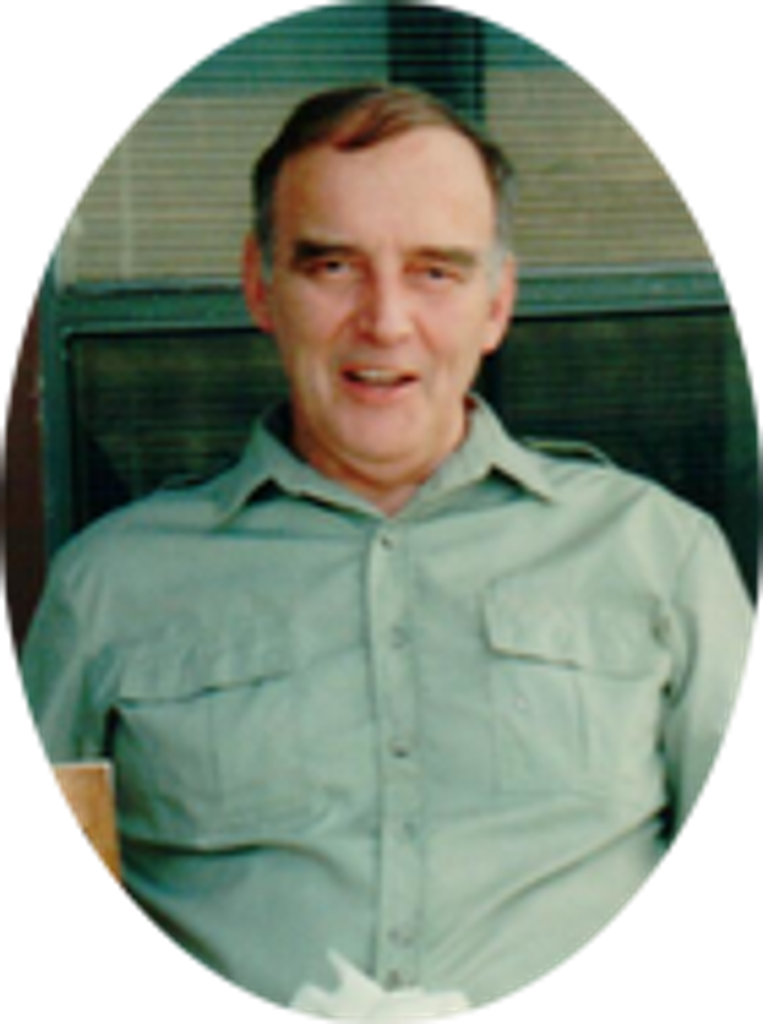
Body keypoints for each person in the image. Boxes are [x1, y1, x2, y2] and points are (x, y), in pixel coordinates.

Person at [17, 83, 756, 1012]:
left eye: (435, 271)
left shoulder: (658, 555)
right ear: (260, 284)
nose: (385, 320)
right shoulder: (111, 589)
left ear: (497, 301)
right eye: (333, 266)